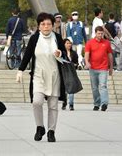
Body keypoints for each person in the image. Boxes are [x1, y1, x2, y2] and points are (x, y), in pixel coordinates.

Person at [16, 12, 66, 143]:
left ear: (53, 25)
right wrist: (20, 70)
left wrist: (60, 53)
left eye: (49, 24)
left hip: (54, 75)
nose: (46, 26)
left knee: (53, 105)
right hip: (38, 75)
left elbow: (65, 55)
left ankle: (51, 131)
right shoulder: (34, 39)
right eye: (43, 24)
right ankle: (40, 127)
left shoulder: (57, 38)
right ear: (39, 26)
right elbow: (27, 55)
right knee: (36, 102)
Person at [84, 26, 114, 112]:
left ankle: (104, 103)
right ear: (95, 33)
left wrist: (111, 67)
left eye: (101, 33)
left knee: (103, 85)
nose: (100, 35)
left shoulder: (107, 43)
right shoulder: (90, 43)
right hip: (93, 68)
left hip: (103, 68)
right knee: (94, 87)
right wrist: (87, 62)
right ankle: (97, 103)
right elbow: (86, 54)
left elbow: (110, 56)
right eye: (98, 33)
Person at [62, 38, 78, 111]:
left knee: (71, 88)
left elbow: (76, 62)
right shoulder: (62, 52)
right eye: (67, 43)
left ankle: (71, 104)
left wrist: (75, 65)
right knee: (65, 89)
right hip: (64, 72)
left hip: (71, 72)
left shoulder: (74, 53)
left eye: (70, 43)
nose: (69, 45)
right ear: (64, 44)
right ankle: (64, 102)